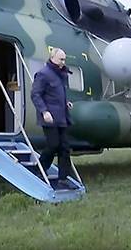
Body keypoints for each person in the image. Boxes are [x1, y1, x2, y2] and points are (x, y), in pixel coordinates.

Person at [31, 47, 74, 188]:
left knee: (65, 148)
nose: (63, 62)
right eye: (61, 59)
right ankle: (40, 170)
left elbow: (58, 93)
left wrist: (66, 102)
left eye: (64, 59)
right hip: (49, 117)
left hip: (62, 117)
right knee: (53, 144)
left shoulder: (62, 74)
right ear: (52, 58)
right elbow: (36, 95)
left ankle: (63, 178)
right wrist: (44, 111)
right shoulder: (43, 74)